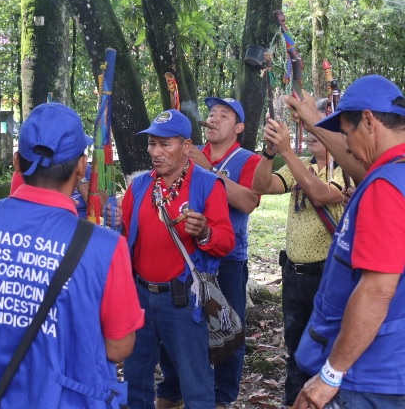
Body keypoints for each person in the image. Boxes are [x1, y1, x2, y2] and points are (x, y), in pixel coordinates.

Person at [0, 102, 143, 407]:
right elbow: (118, 347)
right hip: (67, 398)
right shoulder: (105, 247)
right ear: (81, 166)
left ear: (16, 160)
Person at [291, 75, 405, 409]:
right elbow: (369, 167)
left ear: (368, 120)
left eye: (347, 134)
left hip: (371, 375)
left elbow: (376, 291)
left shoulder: (387, 189)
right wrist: (312, 121)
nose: (346, 146)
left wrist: (329, 376)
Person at [121, 109, 235, 409]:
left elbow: (226, 242)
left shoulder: (207, 184)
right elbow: (125, 237)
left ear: (186, 146)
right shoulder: (140, 186)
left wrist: (205, 232)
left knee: (195, 383)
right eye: (152, 144)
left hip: (183, 299)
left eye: (164, 144)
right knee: (134, 378)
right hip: (140, 297)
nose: (155, 152)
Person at [156, 98, 260, 409]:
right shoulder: (189, 150)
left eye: (223, 115)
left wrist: (209, 169)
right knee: (179, 323)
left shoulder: (248, 160)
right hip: (188, 255)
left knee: (228, 325)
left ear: (239, 127)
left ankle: (223, 396)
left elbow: (248, 202)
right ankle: (172, 390)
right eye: (211, 113)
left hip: (228, 258)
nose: (213, 119)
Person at [251, 99, 345, 409]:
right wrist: (270, 153)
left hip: (326, 274)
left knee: (325, 345)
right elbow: (262, 185)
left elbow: (320, 194)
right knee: (295, 347)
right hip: (294, 273)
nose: (313, 133)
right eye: (309, 127)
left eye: (320, 126)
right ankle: (294, 401)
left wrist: (287, 152)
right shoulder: (301, 164)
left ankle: (325, 401)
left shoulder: (343, 171)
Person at [11, 161, 92, 218]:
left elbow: (98, 208)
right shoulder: (28, 171)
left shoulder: (85, 168)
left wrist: (80, 178)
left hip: (85, 221)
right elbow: (17, 209)